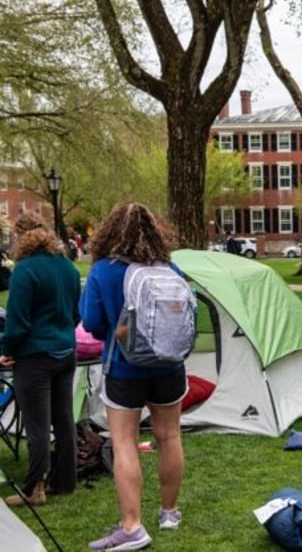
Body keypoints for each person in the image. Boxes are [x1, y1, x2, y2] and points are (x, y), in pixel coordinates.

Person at [80, 203, 187, 551]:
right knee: (169, 436)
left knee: (125, 441)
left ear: (109, 232)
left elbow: (93, 325)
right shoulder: (170, 268)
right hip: (169, 366)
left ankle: (132, 526)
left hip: (124, 368)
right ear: (156, 230)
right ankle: (169, 513)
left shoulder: (103, 271)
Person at [0, 213, 80, 506]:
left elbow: (17, 321)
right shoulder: (68, 268)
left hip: (35, 356)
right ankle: (65, 480)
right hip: (65, 352)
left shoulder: (24, 271)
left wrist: (7, 349)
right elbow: (75, 314)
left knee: (36, 426)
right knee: (63, 419)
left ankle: (35, 488)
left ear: (21, 238)